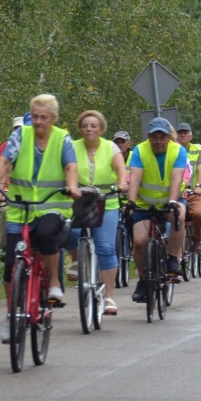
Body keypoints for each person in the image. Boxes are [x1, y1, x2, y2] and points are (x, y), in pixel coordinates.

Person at [0, 94, 79, 342]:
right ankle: (11, 316)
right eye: (34, 116)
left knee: (47, 235)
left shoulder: (62, 138)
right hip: (20, 207)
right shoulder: (20, 135)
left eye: (43, 117)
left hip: (52, 206)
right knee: (11, 264)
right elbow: (5, 161)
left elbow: (70, 166)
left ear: (53, 118)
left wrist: (72, 186)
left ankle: (54, 285)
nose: (38, 122)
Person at [65, 110, 128, 314]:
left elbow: (120, 169)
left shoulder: (110, 147)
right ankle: (77, 258)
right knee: (68, 233)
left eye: (93, 126)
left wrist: (122, 184)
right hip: (79, 200)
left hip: (106, 202)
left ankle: (109, 296)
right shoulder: (72, 147)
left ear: (101, 128)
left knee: (105, 247)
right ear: (80, 129)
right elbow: (66, 169)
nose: (89, 129)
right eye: (85, 126)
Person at [124, 116, 187, 303]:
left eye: (162, 137)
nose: (158, 141)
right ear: (148, 137)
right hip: (145, 204)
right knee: (140, 242)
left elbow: (177, 179)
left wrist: (173, 202)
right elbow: (134, 178)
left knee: (179, 217)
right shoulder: (139, 151)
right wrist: (131, 202)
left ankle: (173, 258)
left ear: (169, 137)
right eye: (154, 137)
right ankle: (143, 280)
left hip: (170, 201)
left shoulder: (178, 151)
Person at [175, 123, 201, 253]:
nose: (182, 135)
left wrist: (198, 186)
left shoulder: (197, 150)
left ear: (191, 135)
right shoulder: (172, 149)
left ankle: (197, 239)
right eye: (180, 133)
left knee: (199, 214)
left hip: (192, 192)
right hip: (177, 192)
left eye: (185, 132)